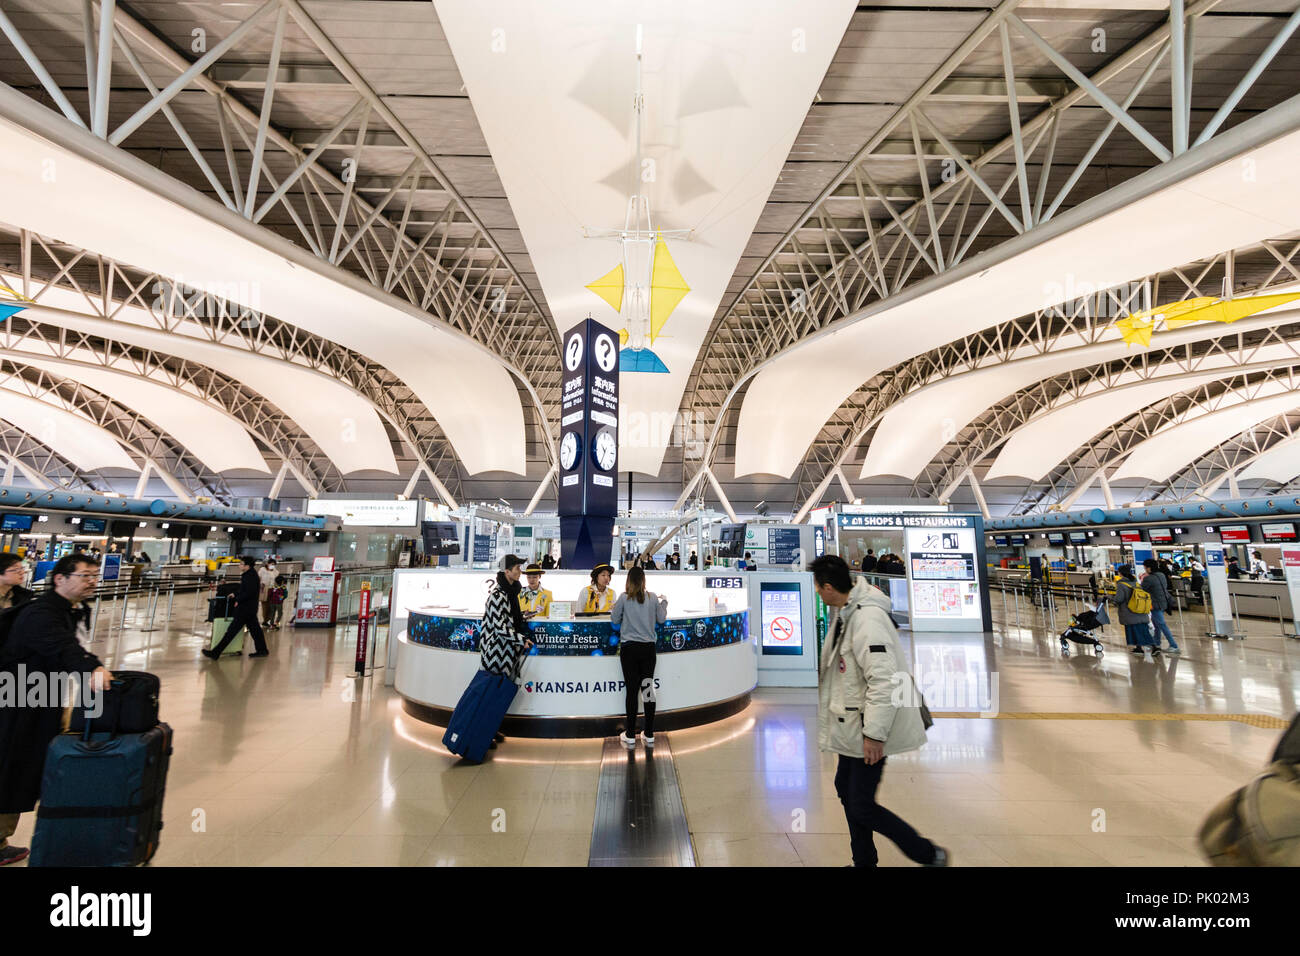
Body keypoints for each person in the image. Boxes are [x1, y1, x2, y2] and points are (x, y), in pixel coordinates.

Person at [810, 554, 949, 868]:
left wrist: (874, 735)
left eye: (818, 587)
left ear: (829, 587)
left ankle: (928, 854)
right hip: (851, 723)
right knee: (845, 788)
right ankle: (864, 862)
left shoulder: (867, 619)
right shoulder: (848, 611)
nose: (817, 593)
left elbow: (884, 681)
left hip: (867, 728)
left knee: (860, 803)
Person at [0, 554, 112, 865]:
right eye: (84, 575)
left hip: (40, 696)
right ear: (59, 579)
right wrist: (92, 667)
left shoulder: (64, 609)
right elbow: (61, 646)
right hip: (20, 698)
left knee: (22, 766)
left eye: (94, 575)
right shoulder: (42, 612)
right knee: (13, 766)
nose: (91, 581)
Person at [478, 554, 534, 748]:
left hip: (506, 651)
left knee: (498, 694)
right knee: (490, 693)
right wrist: (521, 639)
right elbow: (500, 627)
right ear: (506, 571)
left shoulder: (510, 593)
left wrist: (521, 617)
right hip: (495, 652)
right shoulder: (497, 595)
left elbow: (508, 620)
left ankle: (490, 729)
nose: (520, 571)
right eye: (517, 568)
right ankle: (482, 733)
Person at [611, 566, 667, 748]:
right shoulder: (651, 598)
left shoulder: (623, 598)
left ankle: (630, 734)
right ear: (643, 580)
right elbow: (662, 619)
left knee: (632, 691)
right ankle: (649, 733)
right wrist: (664, 602)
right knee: (648, 689)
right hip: (648, 650)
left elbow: (614, 620)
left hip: (629, 650)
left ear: (628, 580)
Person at [202, 556, 270, 660]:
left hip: (245, 609)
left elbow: (249, 592)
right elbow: (245, 589)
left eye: (241, 564)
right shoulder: (249, 574)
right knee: (255, 630)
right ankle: (262, 650)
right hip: (249, 608)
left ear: (247, 566)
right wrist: (235, 593)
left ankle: (216, 653)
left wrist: (238, 599)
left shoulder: (250, 576)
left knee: (232, 631)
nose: (239, 565)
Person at [1112, 564, 1158, 656]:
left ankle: (1154, 647)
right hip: (1140, 610)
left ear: (1120, 573)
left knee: (1135, 631)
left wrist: (1113, 600)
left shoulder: (1121, 584)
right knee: (1142, 630)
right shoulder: (1136, 582)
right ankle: (1139, 648)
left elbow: (1119, 599)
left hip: (1129, 612)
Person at [1142, 559, 1179, 653]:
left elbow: (1142, 589)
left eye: (1145, 567)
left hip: (1155, 604)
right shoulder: (1161, 575)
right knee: (1157, 624)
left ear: (1149, 568)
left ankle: (1173, 645)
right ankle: (1156, 642)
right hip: (1164, 602)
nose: (1145, 569)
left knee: (1161, 624)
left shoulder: (1148, 578)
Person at [258, 559, 278, 628]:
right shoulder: (262, 570)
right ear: (267, 564)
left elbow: (276, 581)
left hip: (273, 589)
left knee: (271, 606)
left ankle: (269, 620)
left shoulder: (276, 572)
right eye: (271, 564)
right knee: (265, 606)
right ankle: (265, 620)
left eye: (274, 564)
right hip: (264, 589)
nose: (273, 566)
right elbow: (258, 579)